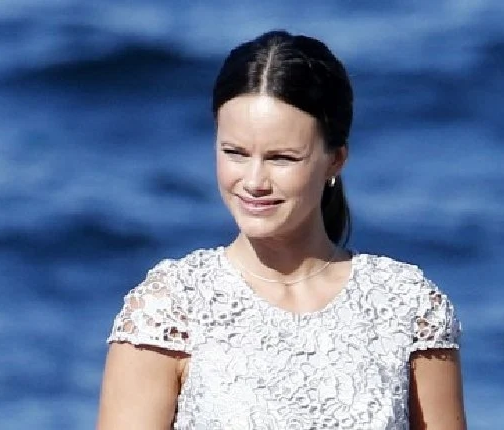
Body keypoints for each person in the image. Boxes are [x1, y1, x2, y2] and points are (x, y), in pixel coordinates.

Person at [96, 30, 466, 430]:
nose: (254, 180)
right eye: (235, 153)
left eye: (282, 158)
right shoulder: (169, 308)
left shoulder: (408, 305)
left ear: (335, 161)